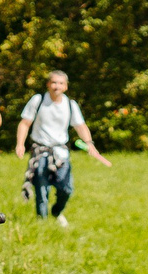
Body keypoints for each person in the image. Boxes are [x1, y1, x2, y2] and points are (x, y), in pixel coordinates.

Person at [15, 70, 109, 225]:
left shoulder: (70, 105)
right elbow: (25, 123)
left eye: (60, 83)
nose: (56, 86)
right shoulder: (38, 100)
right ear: (48, 85)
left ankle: (57, 212)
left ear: (65, 87)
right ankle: (42, 224)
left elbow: (80, 126)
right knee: (42, 191)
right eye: (53, 82)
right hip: (41, 151)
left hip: (61, 153)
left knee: (66, 189)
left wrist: (90, 143)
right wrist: (20, 144)